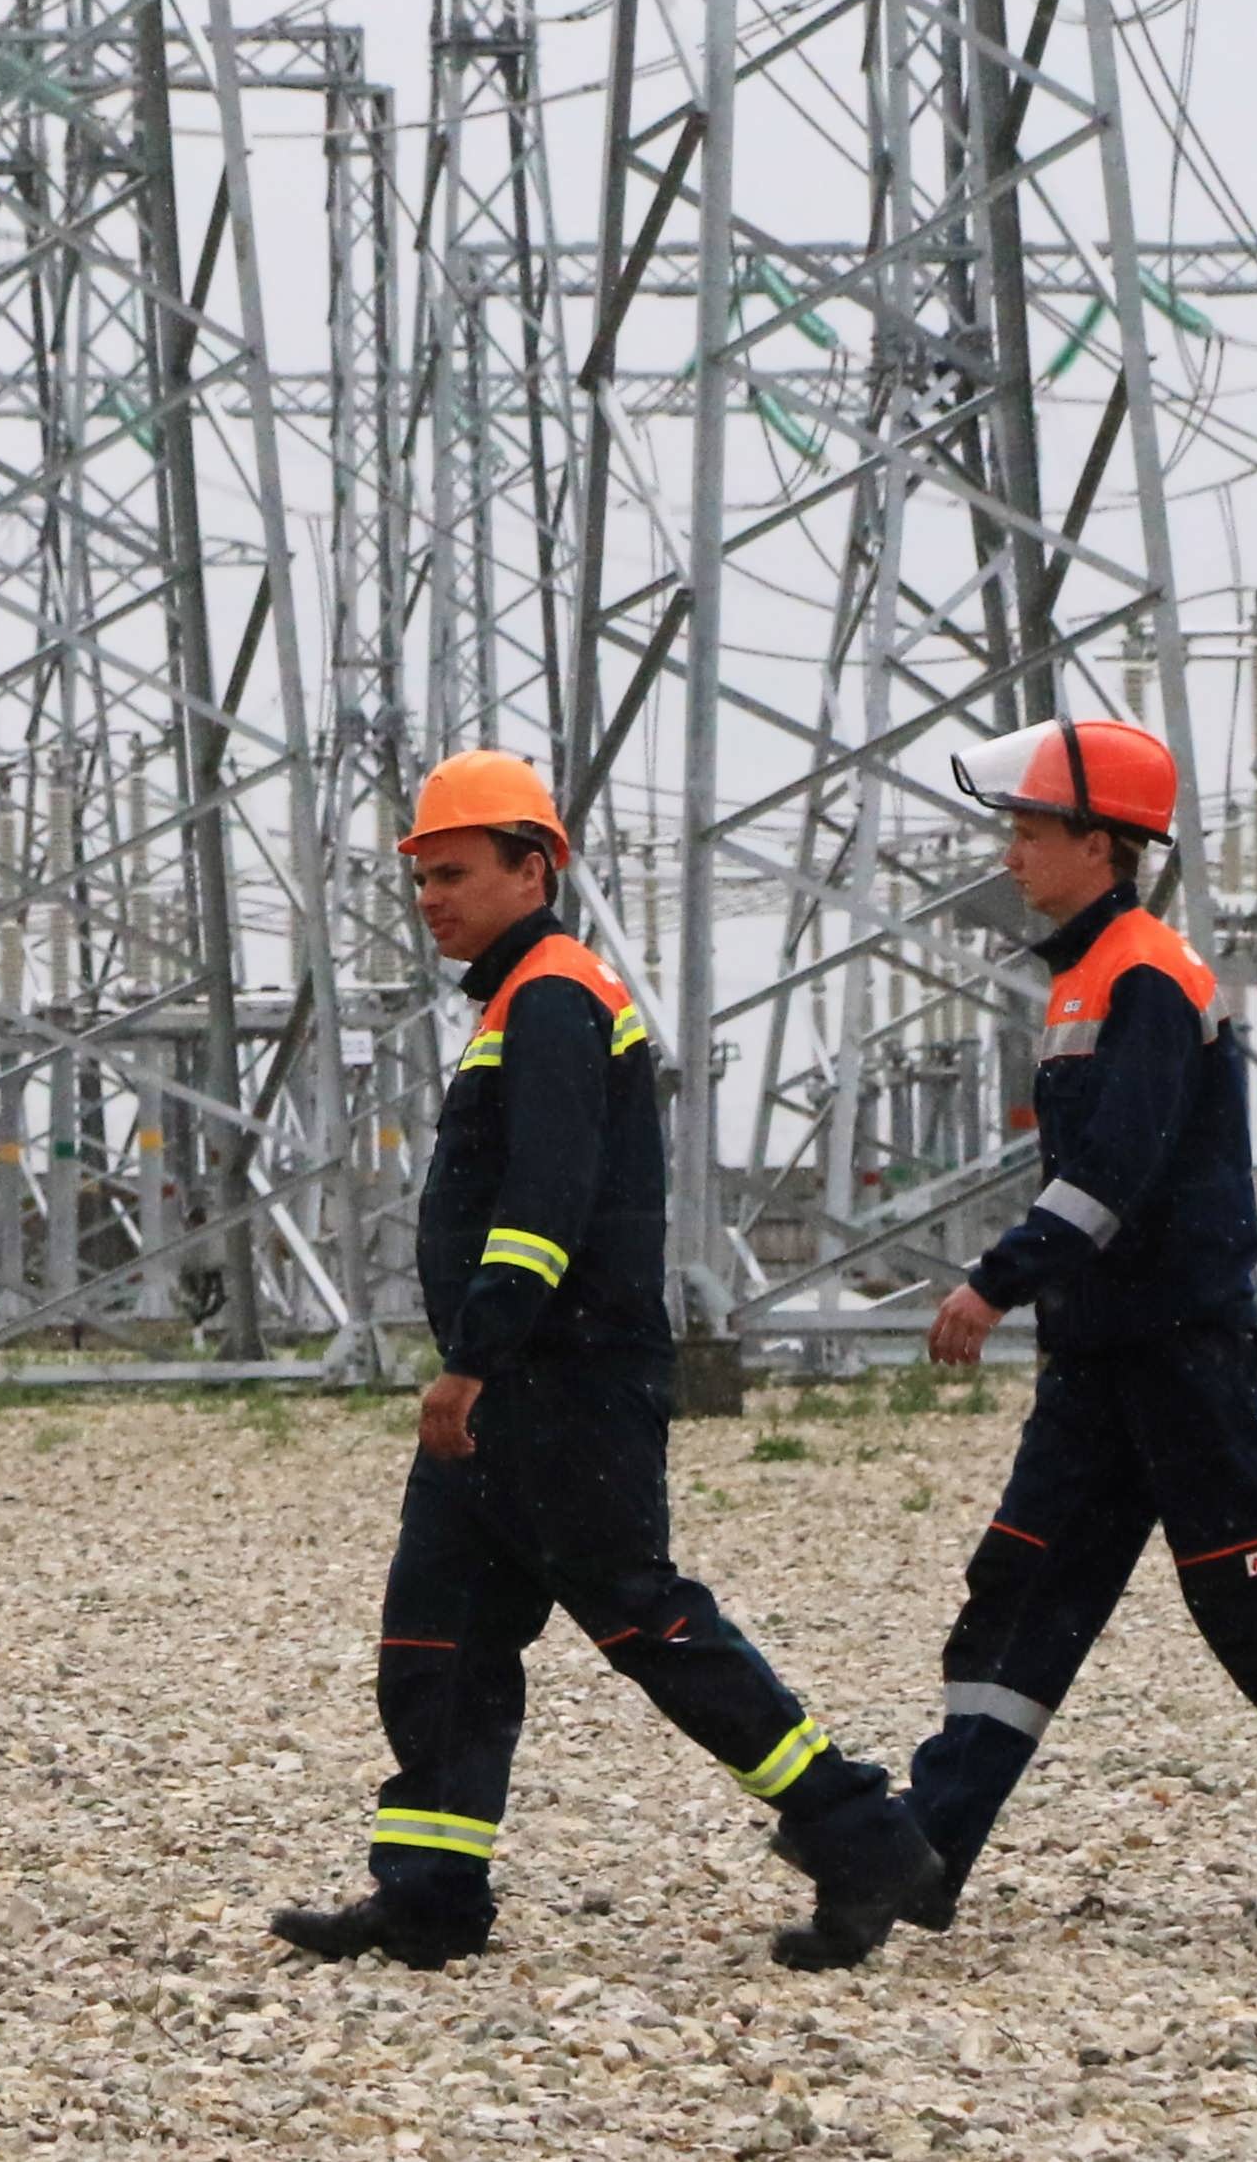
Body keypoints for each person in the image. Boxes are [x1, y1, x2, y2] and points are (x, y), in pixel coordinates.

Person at [270, 752, 944, 1974]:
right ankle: (426, 1894)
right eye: (420, 875)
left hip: (560, 1383)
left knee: (644, 1620)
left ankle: (861, 1833)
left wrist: (473, 1358)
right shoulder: (516, 996)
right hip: (516, 1384)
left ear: (535, 870)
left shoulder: (555, 998)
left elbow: (545, 1202)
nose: (431, 895)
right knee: (439, 1637)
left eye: (456, 872)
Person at [807, 715, 1257, 1962]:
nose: (1012, 853)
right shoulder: (1084, 977)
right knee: (1018, 1593)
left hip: (1177, 1358)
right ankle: (922, 1857)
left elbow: (1115, 1173)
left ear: (1101, 843)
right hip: (1099, 1361)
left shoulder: (1146, 972)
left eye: (1029, 833)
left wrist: (994, 1282)